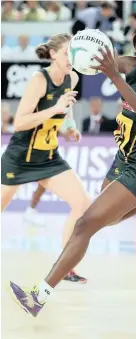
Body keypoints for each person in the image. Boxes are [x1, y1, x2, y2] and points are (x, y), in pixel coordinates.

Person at [9, 23, 136, 317]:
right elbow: (99, 60)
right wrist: (81, 52)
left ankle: (38, 296)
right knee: (107, 221)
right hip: (122, 160)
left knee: (84, 224)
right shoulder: (128, 65)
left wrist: (114, 76)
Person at [1, 33, 90, 284]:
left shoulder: (73, 77)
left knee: (82, 202)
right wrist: (55, 108)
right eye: (66, 53)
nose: (71, 58)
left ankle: (65, 267)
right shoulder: (39, 80)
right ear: (53, 54)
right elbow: (19, 123)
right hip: (20, 156)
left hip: (49, 157)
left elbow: (67, 108)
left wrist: (69, 127)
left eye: (74, 53)